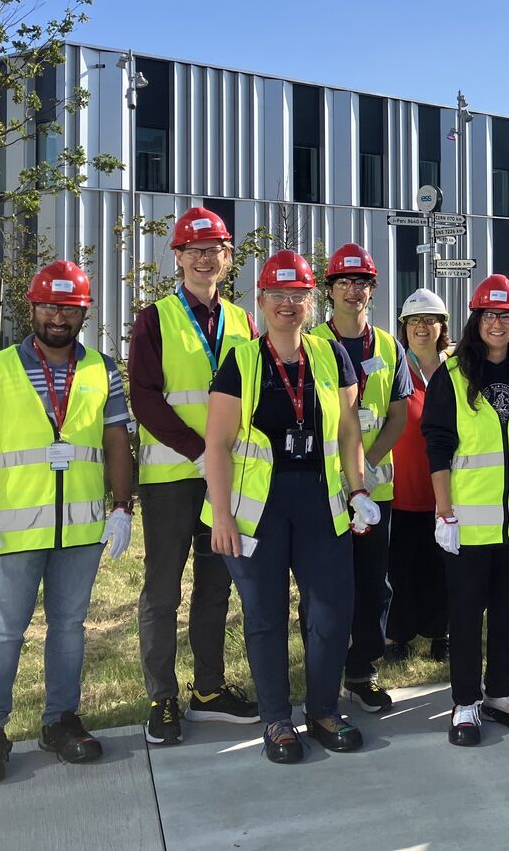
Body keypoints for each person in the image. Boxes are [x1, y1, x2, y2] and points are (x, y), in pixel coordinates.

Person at [0, 261, 135, 785]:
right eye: (49, 306)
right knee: (4, 633)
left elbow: (117, 442)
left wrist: (123, 506)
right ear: (32, 309)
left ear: (84, 313)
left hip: (80, 531)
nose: (58, 316)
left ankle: (61, 720)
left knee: (68, 630)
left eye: (69, 308)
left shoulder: (104, 369)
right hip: (14, 530)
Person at [203, 251, 381, 764]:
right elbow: (216, 444)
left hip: (321, 503)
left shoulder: (332, 356)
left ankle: (323, 710)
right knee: (265, 615)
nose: (288, 304)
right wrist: (220, 514)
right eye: (277, 295)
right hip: (259, 508)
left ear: (311, 301)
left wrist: (358, 490)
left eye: (298, 295)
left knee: (331, 610)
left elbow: (349, 431)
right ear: (259, 301)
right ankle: (277, 718)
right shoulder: (240, 361)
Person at [128, 206, 258, 746]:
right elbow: (144, 397)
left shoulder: (245, 321)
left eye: (216, 250)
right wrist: (198, 451)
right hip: (170, 479)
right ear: (177, 257)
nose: (206, 259)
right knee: (162, 589)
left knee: (215, 584)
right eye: (195, 250)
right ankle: (162, 698)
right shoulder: (155, 318)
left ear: (228, 259)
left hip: (225, 479)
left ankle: (208, 689)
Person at [421, 275, 509, 746]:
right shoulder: (452, 375)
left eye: (505, 315)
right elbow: (438, 448)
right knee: (465, 614)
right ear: (475, 320)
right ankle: (465, 702)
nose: (497, 324)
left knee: (507, 610)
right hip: (468, 524)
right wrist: (445, 514)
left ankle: (501, 692)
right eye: (489, 315)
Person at [310, 242, 412, 714]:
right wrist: (346, 474)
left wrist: (367, 464)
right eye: (344, 282)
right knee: (325, 583)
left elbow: (398, 416)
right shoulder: (311, 345)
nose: (354, 291)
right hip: (328, 489)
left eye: (363, 283)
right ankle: (322, 668)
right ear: (329, 290)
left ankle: (362, 670)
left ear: (373, 290)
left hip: (376, 487)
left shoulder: (390, 346)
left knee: (374, 583)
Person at [383, 288, 452, 664]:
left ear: (442, 325)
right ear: (404, 327)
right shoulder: (395, 365)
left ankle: (440, 631)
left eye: (429, 320)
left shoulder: (455, 369)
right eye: (413, 321)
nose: (421, 327)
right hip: (401, 487)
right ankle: (397, 636)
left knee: (441, 566)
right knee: (400, 566)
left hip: (446, 489)